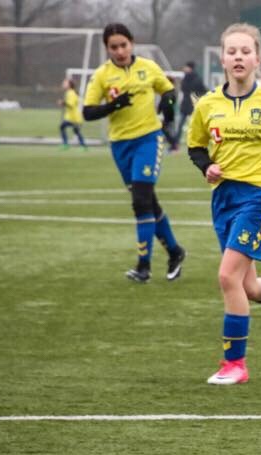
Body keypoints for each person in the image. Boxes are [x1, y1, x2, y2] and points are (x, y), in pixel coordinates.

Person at [187, 23, 261, 386]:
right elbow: (195, 147)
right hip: (223, 199)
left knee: (227, 277)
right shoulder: (207, 105)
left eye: (245, 51)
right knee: (250, 287)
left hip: (258, 199)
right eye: (232, 51)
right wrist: (206, 167)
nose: (238, 57)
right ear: (222, 59)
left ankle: (235, 364)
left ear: (258, 59)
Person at [83, 23, 185, 284]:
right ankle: (175, 252)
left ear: (132, 44)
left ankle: (143, 266)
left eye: (123, 45)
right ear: (107, 49)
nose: (119, 51)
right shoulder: (102, 75)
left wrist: (168, 107)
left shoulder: (148, 67)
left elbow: (169, 90)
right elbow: (88, 112)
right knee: (148, 202)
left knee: (140, 201)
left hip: (148, 139)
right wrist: (113, 105)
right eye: (113, 47)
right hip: (120, 145)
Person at [176, 61, 208, 149]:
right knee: (183, 124)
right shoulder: (190, 78)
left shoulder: (194, 79)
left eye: (186, 67)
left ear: (190, 68)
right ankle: (177, 141)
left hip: (192, 104)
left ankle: (197, 140)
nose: (184, 69)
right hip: (188, 104)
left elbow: (201, 90)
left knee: (193, 124)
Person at [57, 78, 87, 150]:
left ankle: (66, 144)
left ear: (69, 85)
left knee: (63, 127)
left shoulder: (71, 93)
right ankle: (83, 146)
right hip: (72, 117)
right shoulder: (70, 92)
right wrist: (64, 103)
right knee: (75, 131)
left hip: (74, 118)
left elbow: (71, 105)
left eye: (65, 82)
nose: (63, 83)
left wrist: (63, 103)